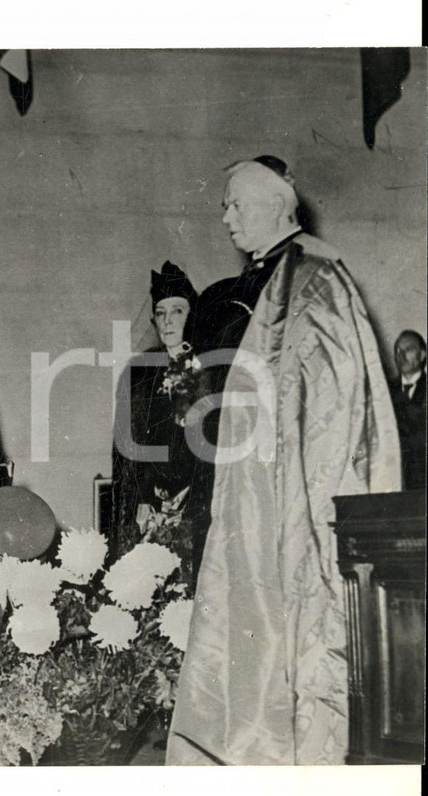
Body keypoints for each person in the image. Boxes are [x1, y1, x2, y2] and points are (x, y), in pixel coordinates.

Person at [166, 157, 401, 765]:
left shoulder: (318, 277)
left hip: (297, 491)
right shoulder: (257, 281)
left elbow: (332, 401)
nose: (224, 218)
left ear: (275, 205)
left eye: (234, 204)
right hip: (249, 487)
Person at [111, 262, 212, 586]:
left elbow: (215, 440)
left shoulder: (211, 369)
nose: (168, 321)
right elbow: (127, 444)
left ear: (191, 315)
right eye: (161, 312)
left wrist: (188, 494)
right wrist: (144, 494)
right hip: (149, 501)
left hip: (197, 500)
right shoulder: (139, 372)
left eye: (178, 311)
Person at [388, 330, 427, 490]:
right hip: (394, 476)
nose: (401, 356)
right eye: (398, 351)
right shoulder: (385, 391)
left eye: (408, 350)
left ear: (422, 355)